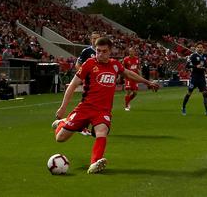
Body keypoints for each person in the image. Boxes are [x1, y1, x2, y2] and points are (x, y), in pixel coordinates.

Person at [51, 37, 160, 174]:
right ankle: (63, 122)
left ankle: (94, 163)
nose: (100, 54)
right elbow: (72, 86)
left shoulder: (115, 65)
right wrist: (62, 108)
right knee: (60, 138)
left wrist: (147, 82)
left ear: (110, 51)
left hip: (102, 111)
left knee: (101, 131)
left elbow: (128, 73)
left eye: (104, 51)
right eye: (98, 51)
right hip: (85, 108)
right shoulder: (89, 64)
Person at [74, 31, 101, 135]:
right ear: (91, 39)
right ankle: (82, 126)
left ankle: (93, 125)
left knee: (97, 104)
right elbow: (78, 64)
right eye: (93, 38)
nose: (95, 40)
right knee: (88, 103)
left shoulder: (103, 51)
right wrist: (84, 75)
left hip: (100, 82)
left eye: (97, 38)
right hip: (90, 82)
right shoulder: (87, 51)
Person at [182, 43, 207, 116]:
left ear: (203, 49)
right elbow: (187, 66)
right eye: (198, 47)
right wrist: (196, 66)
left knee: (205, 93)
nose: (200, 48)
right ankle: (183, 107)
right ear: (196, 48)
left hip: (202, 78)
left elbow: (206, 65)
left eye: (201, 47)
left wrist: (205, 67)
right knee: (189, 93)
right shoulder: (193, 56)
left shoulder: (205, 56)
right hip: (194, 77)